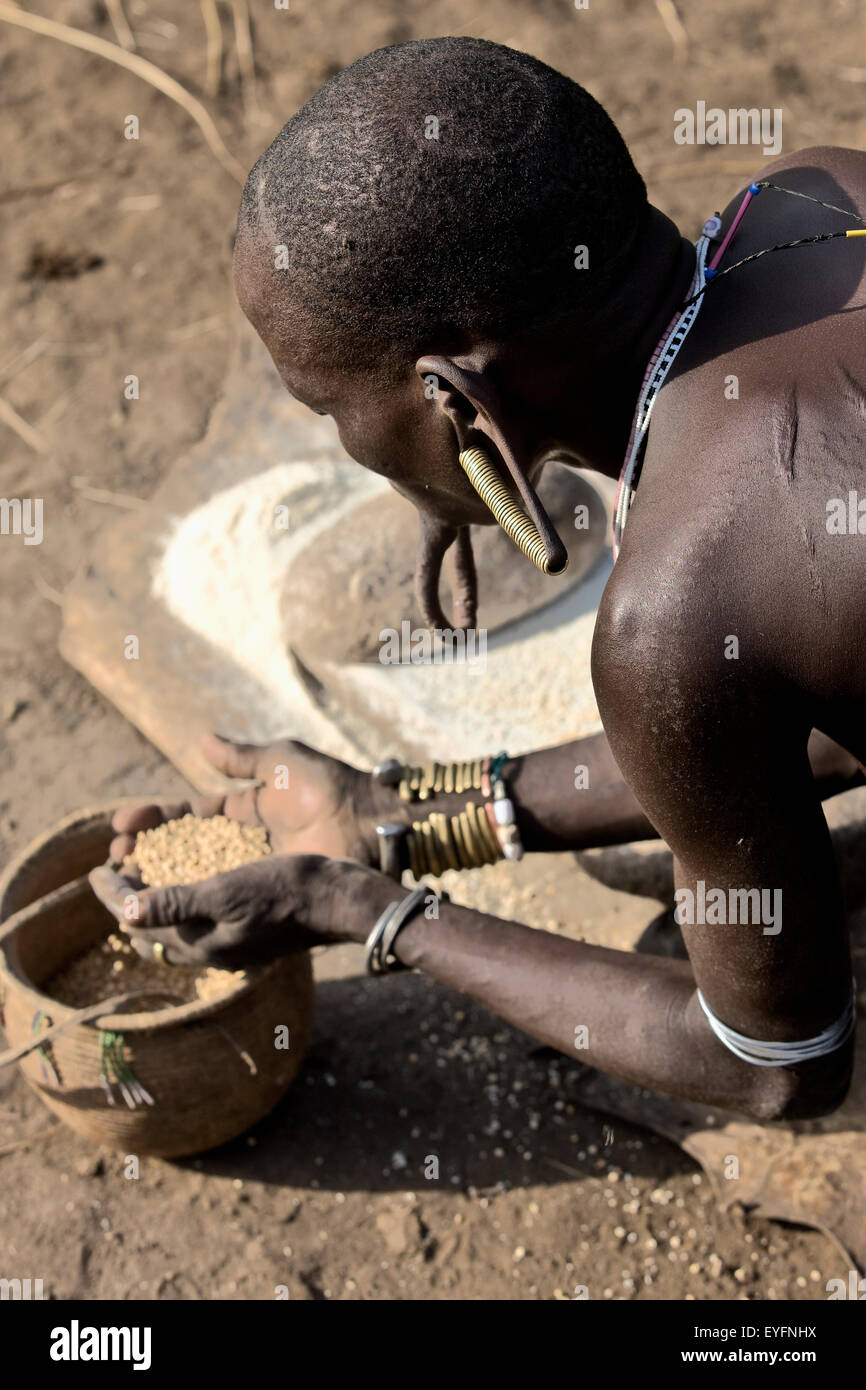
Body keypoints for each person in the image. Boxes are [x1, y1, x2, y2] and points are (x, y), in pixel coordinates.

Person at [91, 37, 866, 1122]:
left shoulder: (676, 613)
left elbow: (770, 1063)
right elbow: (821, 681)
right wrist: (395, 814)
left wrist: (360, 903)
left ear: (456, 405)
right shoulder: (809, 194)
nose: (342, 444)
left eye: (329, 410)